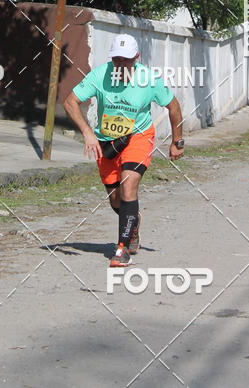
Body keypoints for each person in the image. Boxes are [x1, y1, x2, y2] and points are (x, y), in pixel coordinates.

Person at [63, 33, 185, 266]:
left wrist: (177, 141)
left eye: (126, 59)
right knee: (116, 200)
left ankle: (122, 249)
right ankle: (133, 223)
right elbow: (70, 102)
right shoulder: (100, 75)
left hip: (138, 137)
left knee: (129, 184)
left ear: (136, 57)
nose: (121, 64)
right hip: (106, 141)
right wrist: (88, 133)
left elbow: (174, 107)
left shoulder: (148, 79)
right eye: (116, 59)